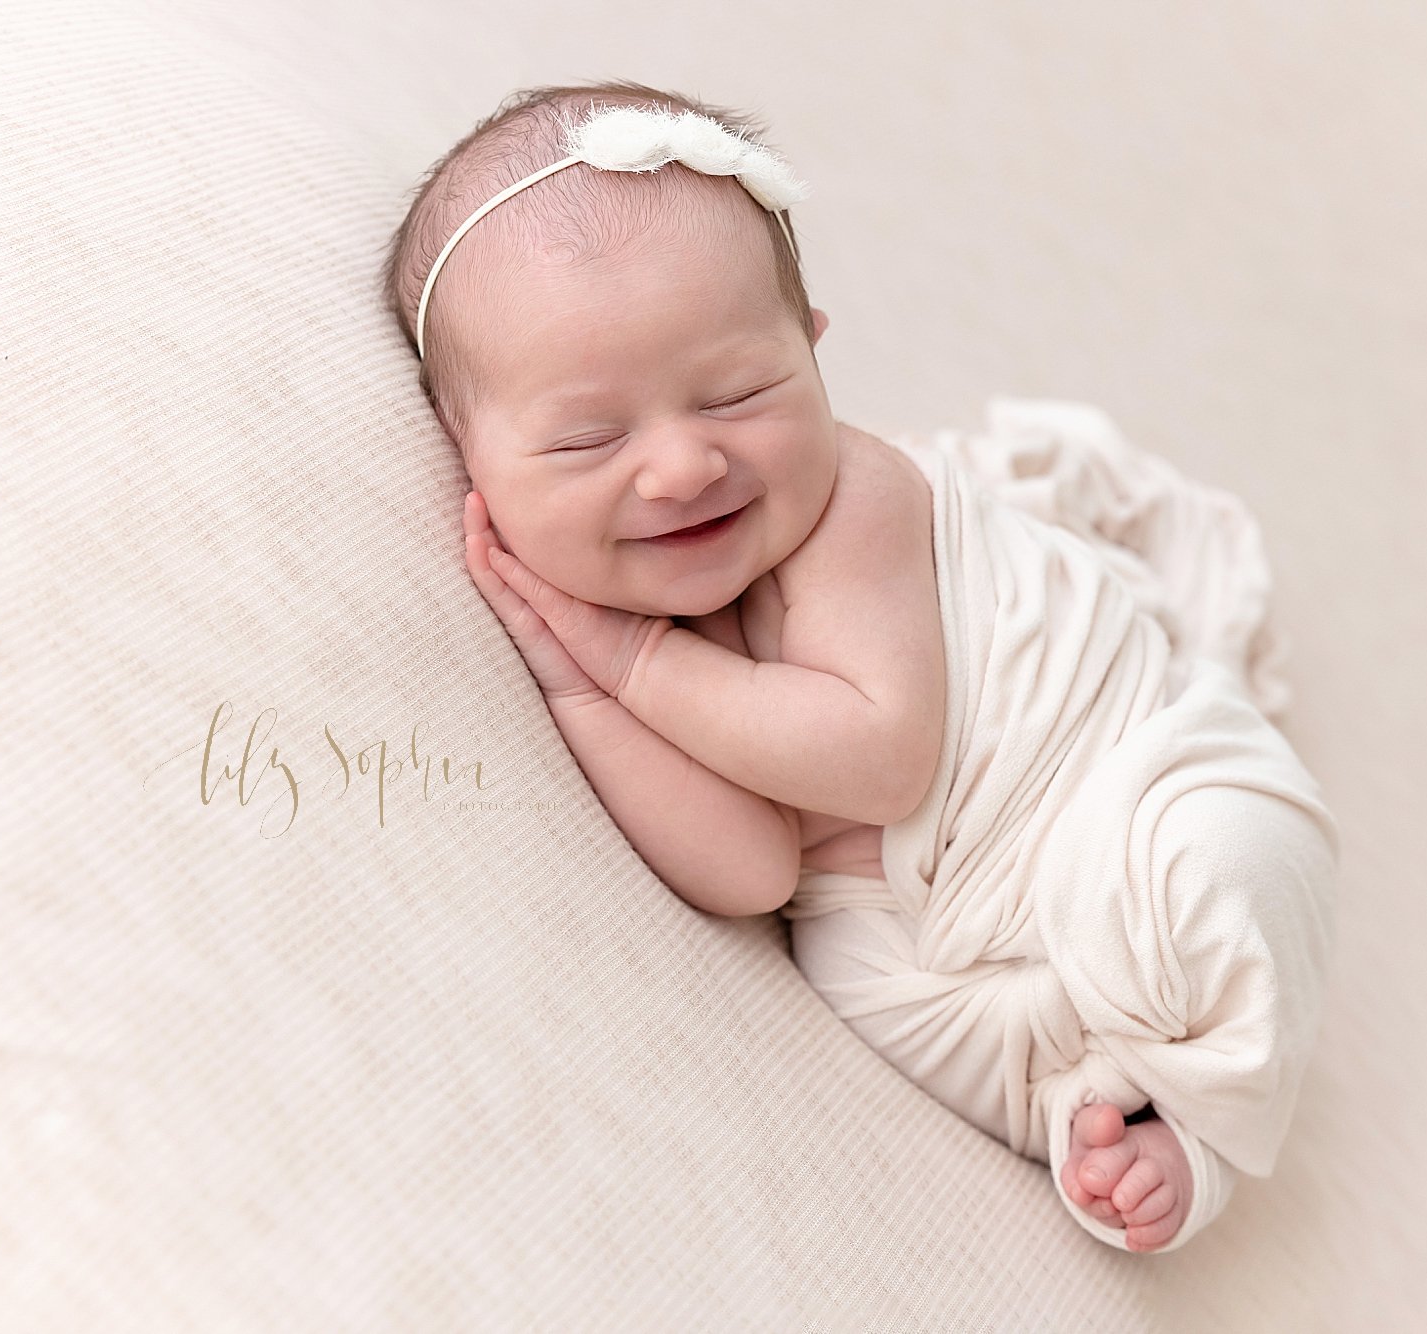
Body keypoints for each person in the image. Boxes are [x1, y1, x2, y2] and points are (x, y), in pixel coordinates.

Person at [378, 80, 1339, 1255]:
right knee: (867, 982)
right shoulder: (601, 623)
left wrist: (631, 663)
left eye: (738, 392)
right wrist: (577, 685)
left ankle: (1205, 1127)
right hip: (922, 937)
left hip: (1102, 785)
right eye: (588, 438)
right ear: (470, 460)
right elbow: (744, 870)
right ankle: (1098, 1119)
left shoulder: (851, 502)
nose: (681, 465)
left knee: (1225, 854)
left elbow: (878, 759)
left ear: (813, 350)